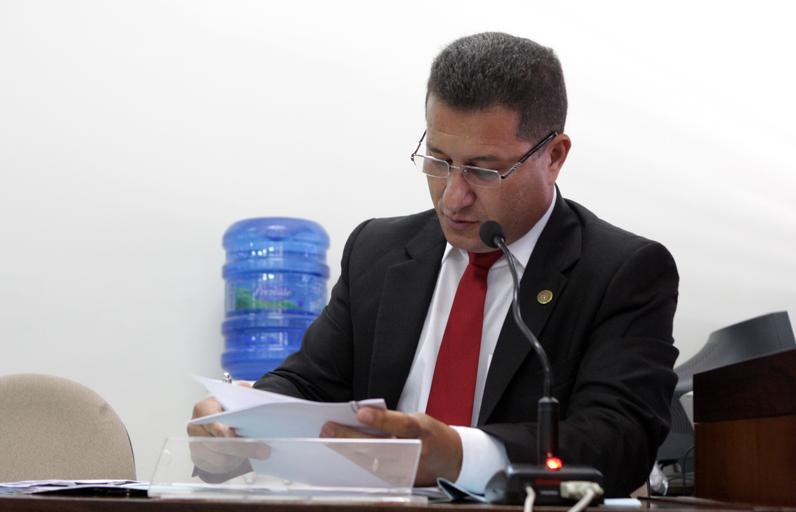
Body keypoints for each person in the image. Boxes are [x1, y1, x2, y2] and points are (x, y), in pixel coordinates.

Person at [190, 32, 679, 497]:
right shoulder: (377, 251)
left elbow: (619, 441)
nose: (453, 196)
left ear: (554, 156)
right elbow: (310, 383)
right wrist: (236, 425)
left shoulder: (622, 271)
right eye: (439, 161)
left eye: (484, 170)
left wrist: (459, 455)